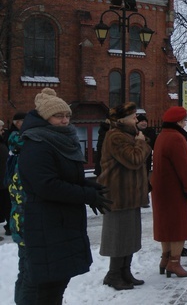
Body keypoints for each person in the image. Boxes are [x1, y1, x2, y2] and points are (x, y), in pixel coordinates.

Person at [16, 88, 112, 303]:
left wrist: (88, 185)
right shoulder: (37, 144)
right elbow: (46, 186)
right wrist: (85, 195)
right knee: (46, 289)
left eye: (67, 115)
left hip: (61, 222)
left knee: (57, 283)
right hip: (46, 223)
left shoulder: (59, 139)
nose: (65, 121)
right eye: (58, 116)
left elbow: (64, 175)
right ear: (44, 117)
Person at [98, 102, 152, 290]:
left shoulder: (128, 135)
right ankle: (113, 274)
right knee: (118, 236)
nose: (137, 119)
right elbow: (134, 159)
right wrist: (141, 143)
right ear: (122, 120)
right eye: (133, 116)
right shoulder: (115, 136)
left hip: (130, 195)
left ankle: (125, 272)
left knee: (129, 235)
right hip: (118, 194)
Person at [151, 106, 187, 278]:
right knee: (179, 227)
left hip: (161, 189)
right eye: (185, 120)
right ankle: (174, 263)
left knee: (166, 226)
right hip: (175, 190)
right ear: (179, 121)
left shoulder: (162, 136)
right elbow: (184, 167)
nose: (186, 123)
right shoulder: (177, 138)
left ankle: (165, 259)